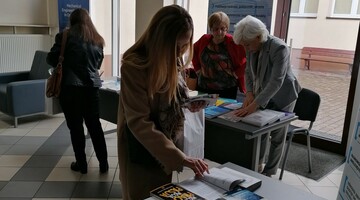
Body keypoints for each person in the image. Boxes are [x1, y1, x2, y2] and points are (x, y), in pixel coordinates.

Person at [117, 5, 209, 199]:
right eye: (177, 46)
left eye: (185, 46)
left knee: (161, 192)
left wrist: (189, 104)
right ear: (161, 40)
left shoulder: (172, 59)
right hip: (142, 149)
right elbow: (139, 122)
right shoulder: (134, 66)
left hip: (165, 145)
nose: (181, 51)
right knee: (143, 194)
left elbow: (173, 98)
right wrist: (180, 157)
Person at [232, 15, 301, 177]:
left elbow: (276, 81)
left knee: (277, 136)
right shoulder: (251, 46)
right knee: (260, 131)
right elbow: (248, 71)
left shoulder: (279, 48)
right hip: (262, 92)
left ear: (258, 36)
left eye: (247, 44)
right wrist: (249, 93)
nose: (246, 48)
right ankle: (257, 166)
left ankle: (270, 172)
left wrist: (254, 104)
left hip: (283, 95)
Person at [47, 8, 108, 174]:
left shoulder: (65, 36)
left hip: (70, 89)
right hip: (92, 89)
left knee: (76, 127)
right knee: (95, 126)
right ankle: (104, 164)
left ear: (72, 21)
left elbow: (51, 58)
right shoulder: (98, 40)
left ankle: (82, 165)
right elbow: (96, 66)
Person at [192, 11, 246, 99]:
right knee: (202, 111)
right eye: (216, 29)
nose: (219, 32)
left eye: (222, 28)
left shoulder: (233, 42)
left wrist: (237, 74)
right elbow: (192, 50)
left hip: (227, 89)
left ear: (227, 29)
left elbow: (250, 59)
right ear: (211, 28)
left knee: (225, 112)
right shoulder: (204, 39)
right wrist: (197, 69)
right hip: (204, 87)